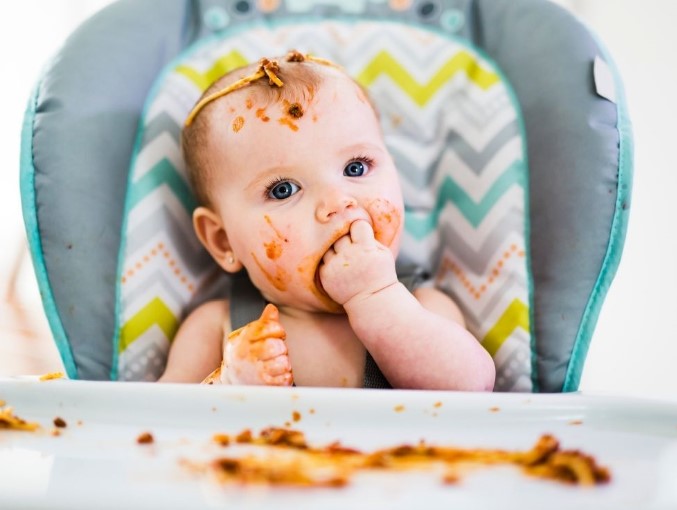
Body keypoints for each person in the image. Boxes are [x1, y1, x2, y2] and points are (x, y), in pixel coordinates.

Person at [159, 51, 496, 390]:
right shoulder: (217, 327)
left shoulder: (421, 308)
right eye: (283, 190)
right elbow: (153, 421)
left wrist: (376, 295)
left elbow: (473, 389)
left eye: (356, 168)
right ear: (223, 241)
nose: (338, 203)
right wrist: (228, 386)